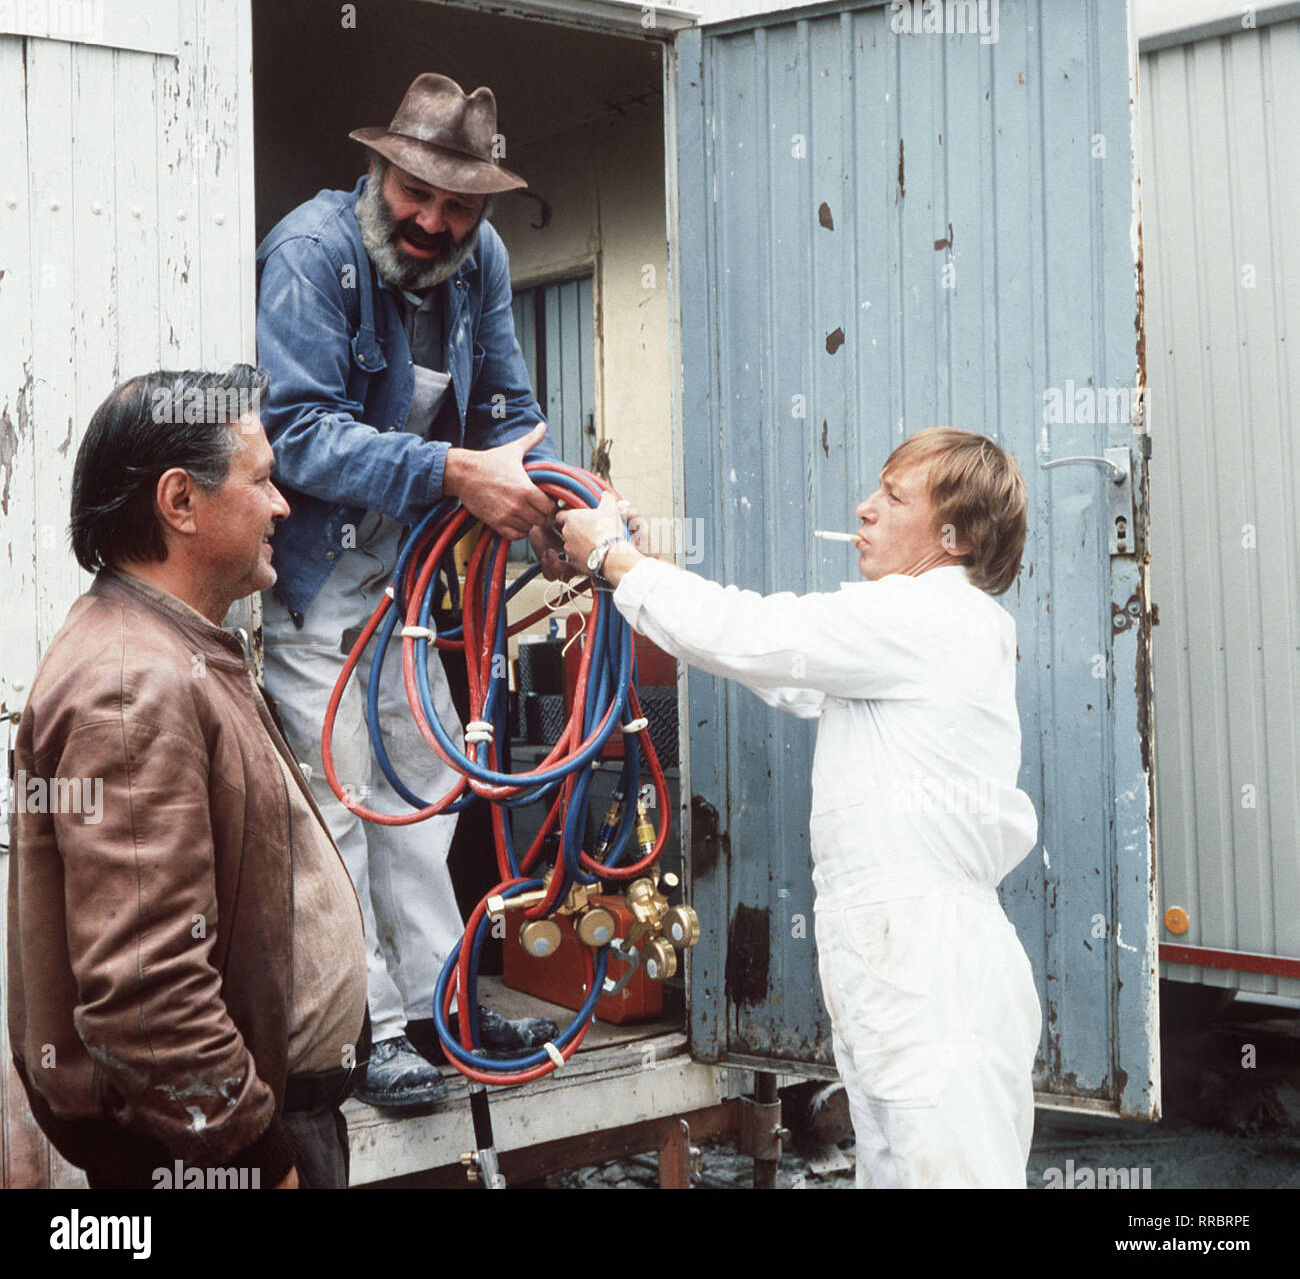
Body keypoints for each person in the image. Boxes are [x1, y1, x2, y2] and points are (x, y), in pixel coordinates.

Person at [558, 427, 1042, 1188]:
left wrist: (612, 559)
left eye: (893, 496)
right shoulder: (915, 630)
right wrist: (636, 569)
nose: (865, 508)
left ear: (957, 536)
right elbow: (778, 667)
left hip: (927, 964)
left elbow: (757, 634)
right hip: (901, 959)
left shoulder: (929, 618)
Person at [256, 73, 560, 1107]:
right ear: (379, 170)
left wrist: (562, 506)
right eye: (414, 193)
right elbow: (294, 432)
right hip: (312, 575)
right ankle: (363, 1031)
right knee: (338, 800)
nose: (432, 220)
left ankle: (441, 1012)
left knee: (422, 793)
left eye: (458, 203)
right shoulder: (312, 253)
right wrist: (450, 474)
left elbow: (510, 417)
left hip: (409, 578)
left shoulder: (481, 263)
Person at [7, 366, 367, 1190]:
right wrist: (258, 1158)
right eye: (264, 480)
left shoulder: (167, 646)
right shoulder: (134, 684)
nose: (282, 505)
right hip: (213, 1154)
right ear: (180, 503)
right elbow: (146, 992)